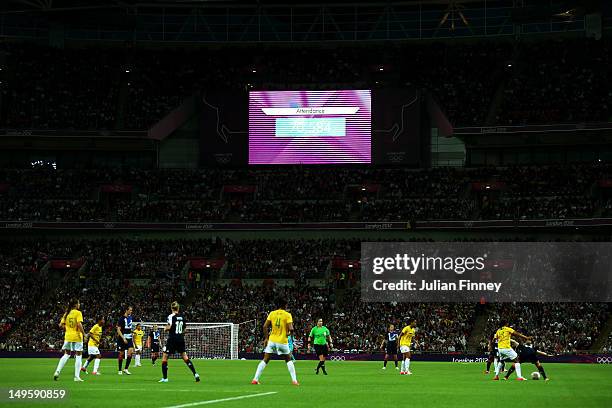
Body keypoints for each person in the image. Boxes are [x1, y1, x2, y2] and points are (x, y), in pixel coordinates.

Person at [251, 297, 299, 385]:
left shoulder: (272, 313)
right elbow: (291, 328)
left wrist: (266, 338)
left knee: (265, 359)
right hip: (282, 341)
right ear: (285, 305)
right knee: (288, 360)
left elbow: (265, 326)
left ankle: (255, 379)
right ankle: (294, 381)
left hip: (272, 340)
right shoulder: (287, 314)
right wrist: (288, 334)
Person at [159, 301, 200, 383]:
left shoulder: (171, 316)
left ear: (171, 308)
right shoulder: (182, 317)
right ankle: (195, 374)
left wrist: (165, 328)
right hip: (181, 339)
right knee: (185, 357)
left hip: (172, 339)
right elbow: (185, 329)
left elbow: (169, 327)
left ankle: (165, 378)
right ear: (178, 308)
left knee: (165, 357)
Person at [53, 299, 85, 382]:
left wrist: (68, 328)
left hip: (68, 337)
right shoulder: (78, 313)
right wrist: (84, 334)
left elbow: (60, 325)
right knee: (78, 356)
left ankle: (57, 372)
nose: (79, 304)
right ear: (75, 305)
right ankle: (76, 377)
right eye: (78, 303)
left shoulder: (66, 313)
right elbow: (79, 324)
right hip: (77, 337)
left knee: (66, 354)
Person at [116, 305, 134, 375]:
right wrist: (123, 338)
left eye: (131, 310)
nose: (131, 311)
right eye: (130, 310)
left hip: (129, 338)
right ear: (126, 310)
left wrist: (132, 332)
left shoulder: (130, 318)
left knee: (130, 352)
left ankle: (126, 369)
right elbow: (118, 330)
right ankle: (120, 369)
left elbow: (129, 328)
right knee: (121, 354)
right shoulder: (121, 319)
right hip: (122, 338)